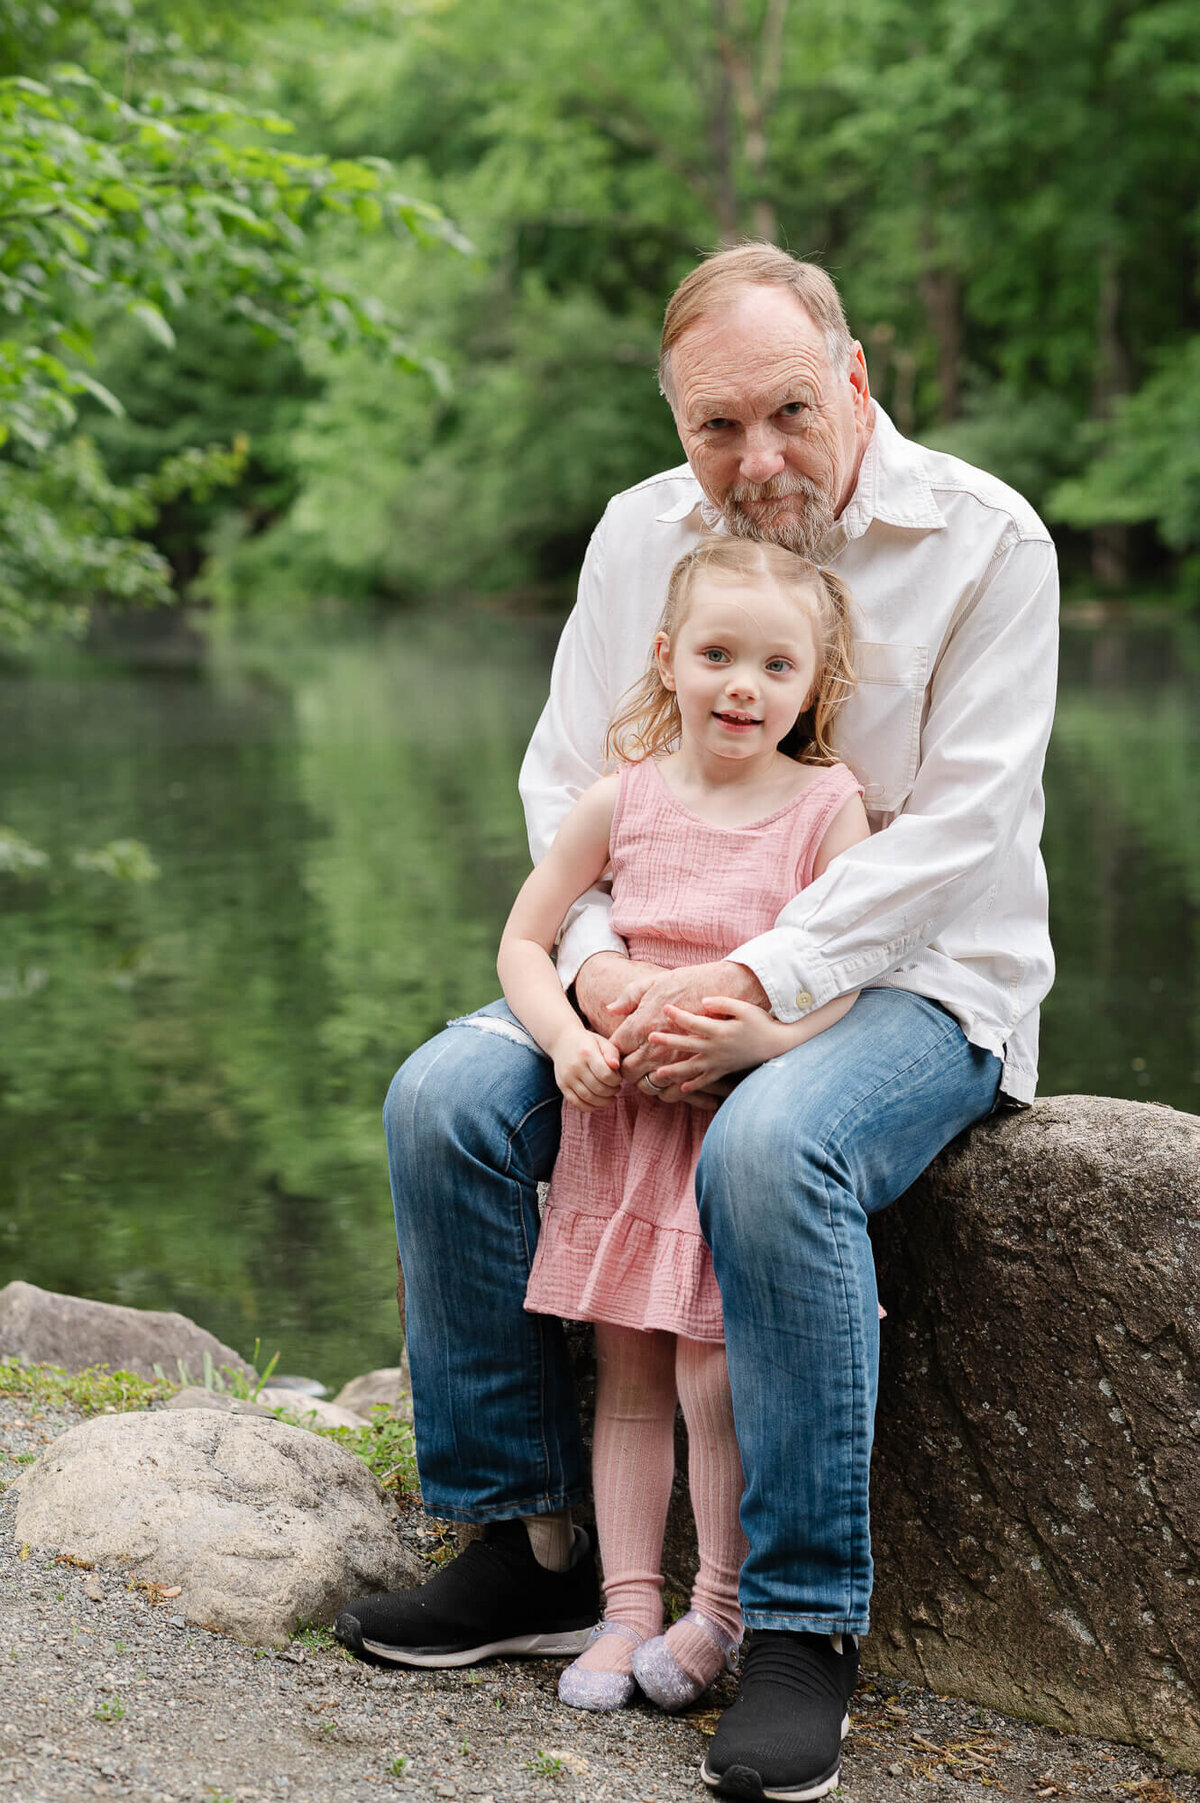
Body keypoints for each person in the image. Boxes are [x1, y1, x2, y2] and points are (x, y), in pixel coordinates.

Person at [336, 243, 1057, 1803]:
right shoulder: (640, 539)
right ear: (674, 422)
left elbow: (962, 837)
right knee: (445, 1096)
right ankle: (535, 1546)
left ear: (855, 378)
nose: (756, 461)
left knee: (769, 1145)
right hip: (648, 956)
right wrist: (593, 969)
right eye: (712, 428)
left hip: (916, 981)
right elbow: (566, 780)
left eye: (790, 411)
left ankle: (800, 1619)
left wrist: (760, 991)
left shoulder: (989, 540)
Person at [500, 538, 869, 1715]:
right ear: (668, 659)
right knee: (630, 1379)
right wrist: (564, 1038)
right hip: (623, 1135)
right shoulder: (624, 798)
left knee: (714, 1379)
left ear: (814, 685)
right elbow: (522, 940)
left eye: (775, 664)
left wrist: (763, 1047)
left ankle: (720, 1614)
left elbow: (847, 978)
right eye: (716, 655)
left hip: (722, 1132)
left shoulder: (825, 806)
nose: (742, 686)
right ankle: (623, 1615)